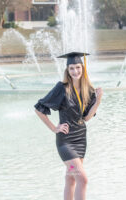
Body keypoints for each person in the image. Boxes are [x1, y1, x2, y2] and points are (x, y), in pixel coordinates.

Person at [34, 52, 103, 200]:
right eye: (71, 68)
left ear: (82, 69)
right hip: (66, 142)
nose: (75, 71)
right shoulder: (62, 88)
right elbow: (39, 109)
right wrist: (54, 128)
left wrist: (97, 102)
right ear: (67, 70)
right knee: (82, 179)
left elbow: (86, 117)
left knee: (71, 178)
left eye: (78, 67)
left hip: (80, 140)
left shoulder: (88, 90)